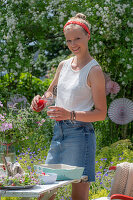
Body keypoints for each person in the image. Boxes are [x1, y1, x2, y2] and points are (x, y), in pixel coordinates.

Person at [31, 13, 107, 200]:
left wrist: (69, 114)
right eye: (68, 40)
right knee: (45, 192)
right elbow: (52, 93)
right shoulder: (63, 65)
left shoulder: (94, 71)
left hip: (80, 135)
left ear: (88, 36)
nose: (73, 44)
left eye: (77, 39)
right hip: (58, 133)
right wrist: (41, 100)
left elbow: (101, 113)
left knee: (78, 196)